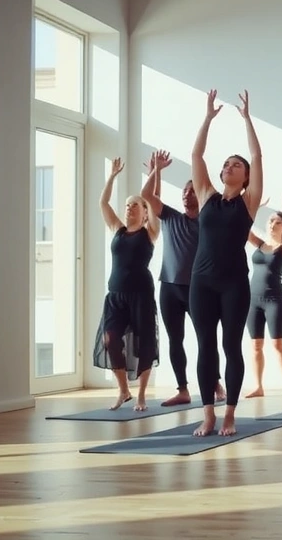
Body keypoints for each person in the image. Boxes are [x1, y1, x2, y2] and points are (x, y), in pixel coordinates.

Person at [188, 89, 264, 437]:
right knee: (205, 346)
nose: (230, 167)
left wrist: (247, 119)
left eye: (237, 165)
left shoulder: (248, 203)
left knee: (231, 346)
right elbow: (196, 154)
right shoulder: (206, 196)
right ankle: (208, 414)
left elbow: (256, 155)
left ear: (245, 176)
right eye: (227, 164)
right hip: (201, 282)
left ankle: (230, 413)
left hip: (234, 283)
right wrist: (207, 118)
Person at [139, 150, 226, 407]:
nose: (186, 195)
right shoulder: (171, 217)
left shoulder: (207, 223)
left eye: (191, 191)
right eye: (184, 192)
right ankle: (183, 389)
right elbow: (147, 197)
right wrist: (156, 171)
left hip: (198, 289)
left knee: (205, 339)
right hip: (169, 287)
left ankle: (214, 382)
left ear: (200, 196)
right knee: (175, 339)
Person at [92, 157, 160, 412]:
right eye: (127, 205)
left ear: (144, 213)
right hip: (116, 295)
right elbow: (103, 202)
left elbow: (154, 200)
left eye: (135, 206)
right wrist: (111, 176)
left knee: (145, 345)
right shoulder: (117, 229)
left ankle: (141, 394)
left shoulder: (150, 232)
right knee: (110, 340)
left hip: (141, 294)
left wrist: (154, 172)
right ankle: (124, 391)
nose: (130, 208)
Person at [244, 195, 282, 399]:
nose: (273, 223)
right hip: (253, 301)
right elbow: (243, 226)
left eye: (278, 221)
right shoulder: (259, 244)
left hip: (274, 300)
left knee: (278, 344)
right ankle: (258, 386)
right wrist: (255, 208)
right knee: (256, 345)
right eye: (270, 220)